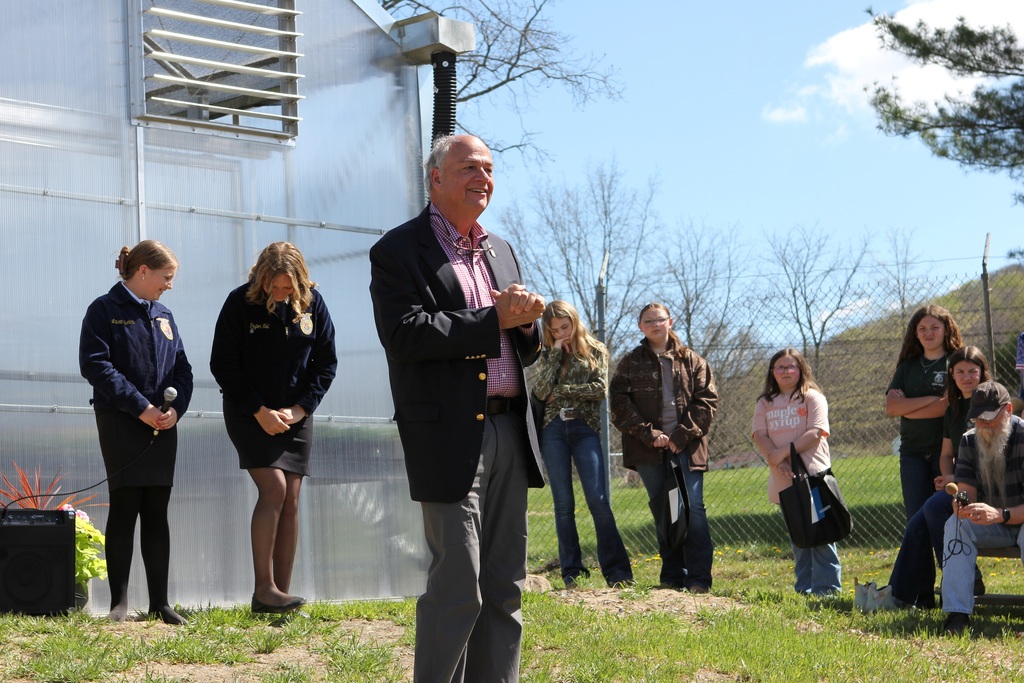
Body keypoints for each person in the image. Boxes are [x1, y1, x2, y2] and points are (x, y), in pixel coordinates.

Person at [368, 134, 546, 683]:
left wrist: (529, 323)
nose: (483, 177)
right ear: (436, 177)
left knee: (505, 585)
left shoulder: (501, 249)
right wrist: (496, 321)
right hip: (448, 436)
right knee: (458, 585)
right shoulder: (399, 249)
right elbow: (405, 334)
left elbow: (521, 345)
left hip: (511, 430)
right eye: (470, 167)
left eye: (489, 169)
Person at [210, 242, 337, 615]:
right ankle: (263, 589)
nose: (280, 294)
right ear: (261, 278)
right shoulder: (239, 303)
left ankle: (281, 596)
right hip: (249, 414)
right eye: (274, 286)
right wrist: (259, 410)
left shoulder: (314, 304)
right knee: (275, 488)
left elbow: (325, 363)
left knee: (291, 498)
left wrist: (300, 409)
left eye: (287, 288)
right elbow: (223, 364)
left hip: (295, 416)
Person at [79, 240, 193, 625]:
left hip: (162, 422)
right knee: (126, 504)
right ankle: (119, 603)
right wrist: (141, 408)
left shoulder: (164, 314)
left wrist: (175, 409)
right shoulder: (104, 309)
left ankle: (161, 603)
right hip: (121, 420)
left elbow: (183, 369)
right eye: (166, 277)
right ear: (143, 271)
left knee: (157, 507)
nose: (169, 285)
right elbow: (96, 366)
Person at [866, 346, 991, 610]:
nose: (967, 377)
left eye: (972, 371)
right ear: (951, 375)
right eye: (960, 372)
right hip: (962, 485)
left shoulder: (991, 405)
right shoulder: (954, 409)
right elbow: (946, 454)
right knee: (917, 523)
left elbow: (994, 458)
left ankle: (961, 577)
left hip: (990, 489)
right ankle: (899, 596)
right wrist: (948, 476)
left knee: (933, 509)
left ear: (982, 373)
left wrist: (955, 477)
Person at [610, 302, 718, 592]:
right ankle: (672, 576)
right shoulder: (630, 362)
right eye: (648, 321)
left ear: (670, 322)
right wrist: (650, 434)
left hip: (687, 447)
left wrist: (679, 436)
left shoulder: (693, 361)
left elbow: (707, 401)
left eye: (660, 320)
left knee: (692, 507)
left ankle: (698, 578)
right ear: (640, 327)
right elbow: (619, 403)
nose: (655, 325)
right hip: (648, 448)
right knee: (665, 510)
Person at [531, 300, 632, 589]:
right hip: (553, 429)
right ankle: (571, 574)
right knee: (563, 504)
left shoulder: (595, 349)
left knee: (598, 500)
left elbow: (599, 389)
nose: (561, 333)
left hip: (584, 427)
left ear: (574, 321)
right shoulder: (547, 353)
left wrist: (562, 391)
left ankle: (618, 573)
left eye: (565, 326)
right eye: (554, 330)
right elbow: (540, 392)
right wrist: (554, 354)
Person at [752, 348, 841, 595]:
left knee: (821, 533)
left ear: (801, 370)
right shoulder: (765, 402)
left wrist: (783, 452)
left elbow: (815, 432)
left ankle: (827, 589)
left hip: (814, 477)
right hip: (784, 477)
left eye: (791, 366)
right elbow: (759, 435)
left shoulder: (812, 397)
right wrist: (777, 461)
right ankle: (805, 588)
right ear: (772, 372)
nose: (786, 371)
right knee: (799, 535)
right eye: (780, 367)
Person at [939, 381, 1024, 635]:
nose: (983, 424)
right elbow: (967, 492)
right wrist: (962, 504)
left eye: (989, 417)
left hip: (1017, 519)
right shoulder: (968, 440)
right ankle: (957, 615)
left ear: (1008, 410)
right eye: (978, 418)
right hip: (994, 522)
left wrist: (1000, 514)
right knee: (955, 524)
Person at [885, 305, 964, 522]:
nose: (928, 333)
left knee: (945, 514)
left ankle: (948, 548)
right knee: (916, 519)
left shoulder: (955, 362)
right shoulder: (906, 367)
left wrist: (908, 408)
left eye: (934, 327)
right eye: (922, 328)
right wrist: (932, 399)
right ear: (916, 333)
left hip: (944, 451)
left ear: (946, 330)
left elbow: (946, 406)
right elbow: (892, 407)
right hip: (911, 453)